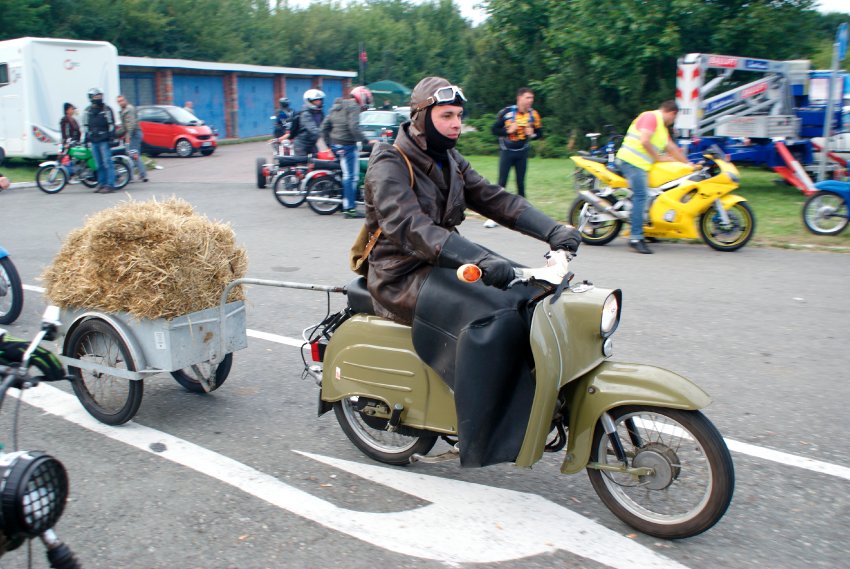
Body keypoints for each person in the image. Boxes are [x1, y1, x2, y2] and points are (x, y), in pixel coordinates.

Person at [363, 76, 581, 468]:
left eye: (459, 116)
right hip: (400, 273)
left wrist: (553, 230)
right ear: (420, 117)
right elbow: (412, 227)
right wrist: (479, 260)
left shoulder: (450, 160)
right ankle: (478, 431)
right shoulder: (389, 162)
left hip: (445, 259)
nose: (455, 124)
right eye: (446, 115)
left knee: (528, 293)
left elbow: (498, 200)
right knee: (492, 317)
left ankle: (528, 400)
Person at [615, 100, 691, 254]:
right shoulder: (651, 117)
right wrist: (658, 157)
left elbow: (673, 148)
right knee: (641, 195)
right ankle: (635, 238)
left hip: (641, 165)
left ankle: (649, 230)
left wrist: (689, 165)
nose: (673, 122)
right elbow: (644, 140)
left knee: (656, 194)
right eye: (674, 118)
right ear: (672, 113)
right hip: (630, 162)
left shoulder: (662, 129)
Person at [321, 86, 374, 219]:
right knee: (351, 177)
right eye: (366, 100)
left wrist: (330, 144)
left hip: (336, 145)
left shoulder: (337, 106)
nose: (366, 103)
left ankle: (346, 201)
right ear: (361, 97)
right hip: (347, 146)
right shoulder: (353, 106)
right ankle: (349, 209)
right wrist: (366, 141)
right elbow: (353, 127)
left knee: (345, 174)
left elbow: (324, 127)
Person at [492, 87, 542, 200]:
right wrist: (507, 131)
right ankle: (496, 208)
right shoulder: (507, 112)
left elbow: (539, 134)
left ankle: (522, 211)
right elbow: (494, 129)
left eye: (532, 98)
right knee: (502, 182)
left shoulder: (534, 115)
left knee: (521, 183)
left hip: (522, 152)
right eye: (528, 97)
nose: (531, 100)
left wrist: (532, 134)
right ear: (519, 98)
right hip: (507, 151)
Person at [81, 87, 117, 193]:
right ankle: (101, 184)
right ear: (91, 98)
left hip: (104, 140)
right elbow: (85, 126)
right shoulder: (87, 111)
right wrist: (85, 139)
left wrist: (110, 137)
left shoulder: (107, 109)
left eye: (100, 96)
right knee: (98, 164)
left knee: (107, 163)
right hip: (94, 141)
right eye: (96, 96)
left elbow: (111, 125)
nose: (98, 98)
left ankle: (110, 185)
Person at [284, 89, 325, 156]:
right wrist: (323, 133)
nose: (319, 102)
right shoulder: (305, 114)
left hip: (312, 144)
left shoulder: (320, 113)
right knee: (302, 164)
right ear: (309, 101)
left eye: (320, 100)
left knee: (318, 162)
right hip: (301, 144)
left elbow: (326, 125)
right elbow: (312, 129)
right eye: (316, 100)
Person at [117, 95, 148, 182]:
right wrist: (116, 134)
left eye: (122, 100)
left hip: (134, 134)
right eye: (119, 101)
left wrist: (128, 136)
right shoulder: (123, 110)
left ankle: (139, 175)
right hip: (134, 134)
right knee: (133, 155)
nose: (121, 102)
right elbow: (124, 126)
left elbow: (131, 125)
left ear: (125, 100)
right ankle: (139, 175)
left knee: (133, 155)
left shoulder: (128, 109)